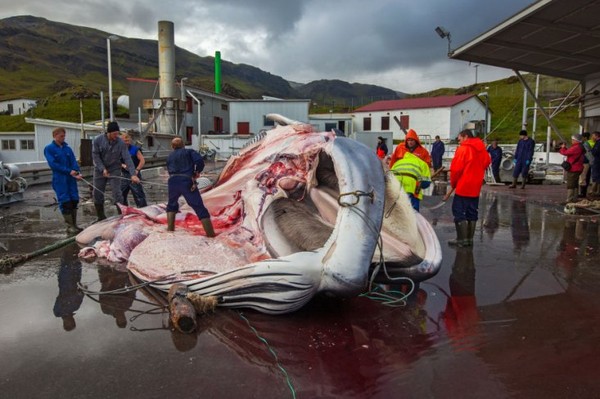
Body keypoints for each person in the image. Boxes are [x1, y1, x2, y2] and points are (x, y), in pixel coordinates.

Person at [444, 129, 491, 247]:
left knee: (458, 211)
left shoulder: (463, 149)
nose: (459, 141)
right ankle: (469, 240)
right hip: (475, 186)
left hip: (463, 185)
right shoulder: (481, 149)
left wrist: (454, 183)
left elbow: (456, 169)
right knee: (472, 211)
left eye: (459, 138)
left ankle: (461, 240)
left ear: (465, 136)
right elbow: (487, 162)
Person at [166, 137, 215, 237]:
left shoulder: (169, 156)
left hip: (172, 181)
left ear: (172, 147)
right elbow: (200, 161)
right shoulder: (189, 151)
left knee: (171, 204)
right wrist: (197, 172)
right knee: (198, 206)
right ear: (184, 145)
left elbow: (169, 168)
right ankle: (211, 235)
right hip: (186, 181)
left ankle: (170, 230)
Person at [92, 121, 140, 221]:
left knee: (117, 192)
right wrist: (102, 169)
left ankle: (121, 216)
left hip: (114, 168)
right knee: (97, 192)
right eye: (114, 134)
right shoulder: (97, 140)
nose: (116, 136)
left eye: (117, 133)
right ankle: (100, 216)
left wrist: (133, 174)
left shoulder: (120, 143)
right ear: (108, 132)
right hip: (100, 169)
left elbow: (127, 158)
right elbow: (95, 156)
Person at [43, 127, 84, 234]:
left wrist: (76, 171)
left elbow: (73, 161)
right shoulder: (49, 149)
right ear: (55, 136)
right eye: (61, 136)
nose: (63, 138)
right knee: (65, 202)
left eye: (64, 136)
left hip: (71, 179)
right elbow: (53, 164)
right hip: (60, 179)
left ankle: (75, 224)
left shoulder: (67, 149)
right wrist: (68, 171)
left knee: (74, 200)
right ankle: (69, 225)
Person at [120, 132, 148, 208]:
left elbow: (142, 160)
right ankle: (123, 210)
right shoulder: (119, 150)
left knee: (138, 194)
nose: (127, 142)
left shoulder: (135, 149)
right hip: (124, 175)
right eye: (125, 141)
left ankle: (143, 209)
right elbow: (115, 161)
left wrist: (137, 169)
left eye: (128, 141)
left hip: (134, 173)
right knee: (121, 195)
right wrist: (122, 165)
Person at [559, 133, 585, 204]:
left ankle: (569, 199)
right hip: (578, 167)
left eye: (573, 139)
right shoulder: (580, 146)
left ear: (575, 140)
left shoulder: (576, 147)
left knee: (570, 184)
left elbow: (565, 152)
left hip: (574, 168)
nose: (572, 141)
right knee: (575, 183)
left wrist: (563, 147)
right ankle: (574, 198)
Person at [579, 132, 594, 198]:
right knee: (587, 177)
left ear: (585, 137)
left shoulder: (585, 144)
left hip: (585, 162)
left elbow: (587, 154)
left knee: (583, 178)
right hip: (589, 162)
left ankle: (583, 193)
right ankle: (584, 192)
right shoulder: (592, 142)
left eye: (582, 137)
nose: (581, 139)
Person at [589, 131, 600, 199]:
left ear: (596, 136)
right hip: (597, 161)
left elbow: (595, 152)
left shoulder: (598, 143)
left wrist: (591, 150)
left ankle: (595, 192)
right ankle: (596, 191)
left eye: (593, 136)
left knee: (596, 177)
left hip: (597, 162)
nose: (592, 137)